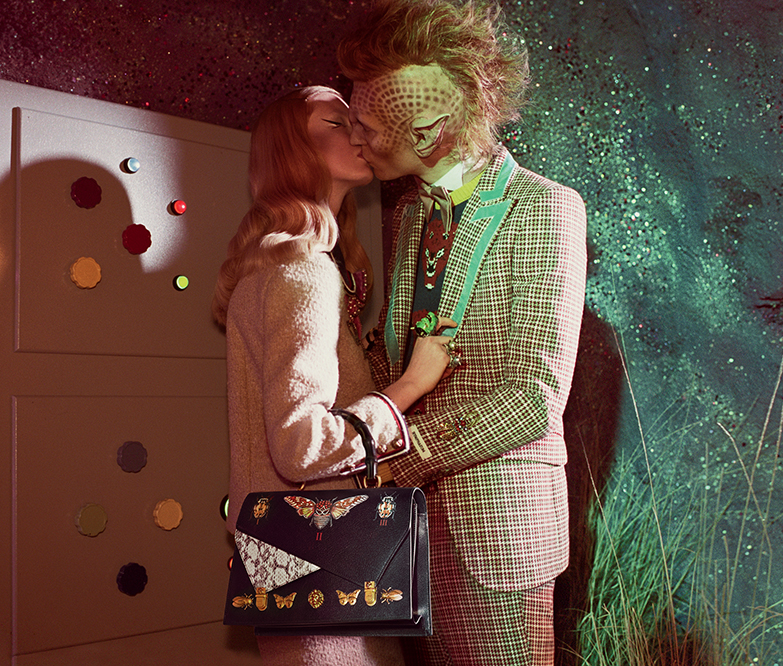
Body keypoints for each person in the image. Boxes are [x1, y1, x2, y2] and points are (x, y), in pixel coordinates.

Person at [338, 1, 587, 664]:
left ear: (428, 130)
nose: (353, 138)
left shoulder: (546, 206)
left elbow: (534, 398)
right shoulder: (410, 215)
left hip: (498, 535)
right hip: (411, 531)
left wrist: (398, 460)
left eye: (366, 126)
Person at [212, 85, 455, 666]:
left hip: (288, 563)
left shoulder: (280, 265)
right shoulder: (304, 272)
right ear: (295, 150)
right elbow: (300, 446)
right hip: (325, 573)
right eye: (336, 123)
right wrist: (408, 386)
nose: (359, 133)